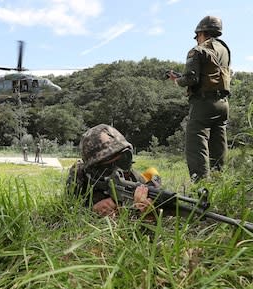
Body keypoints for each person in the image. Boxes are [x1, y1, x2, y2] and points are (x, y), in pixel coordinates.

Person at [167, 16, 231, 181]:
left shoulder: (197, 50)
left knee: (196, 144)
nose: (196, 40)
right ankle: (219, 182)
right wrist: (183, 77)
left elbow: (191, 79)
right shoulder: (224, 49)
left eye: (197, 36)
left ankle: (201, 188)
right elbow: (210, 76)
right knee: (218, 144)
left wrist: (177, 81)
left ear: (202, 32)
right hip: (223, 103)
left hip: (204, 103)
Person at [66, 124, 160, 217]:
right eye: (106, 167)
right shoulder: (79, 176)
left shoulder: (133, 179)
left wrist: (144, 212)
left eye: (123, 161)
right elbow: (69, 209)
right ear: (92, 170)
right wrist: (91, 210)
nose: (118, 172)